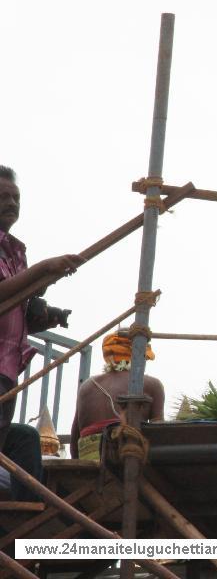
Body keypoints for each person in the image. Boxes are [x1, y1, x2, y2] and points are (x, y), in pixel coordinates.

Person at [0, 165, 84, 498]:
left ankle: (22, 518)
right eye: (3, 197)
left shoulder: (14, 252)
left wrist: (44, 317)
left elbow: (14, 306)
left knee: (18, 439)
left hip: (6, 367)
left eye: (15, 197)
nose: (11, 202)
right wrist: (44, 269)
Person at [70, 334, 164, 460]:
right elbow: (160, 437)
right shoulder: (152, 384)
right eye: (145, 358)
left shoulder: (87, 386)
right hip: (128, 458)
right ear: (138, 357)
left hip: (88, 463)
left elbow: (74, 440)